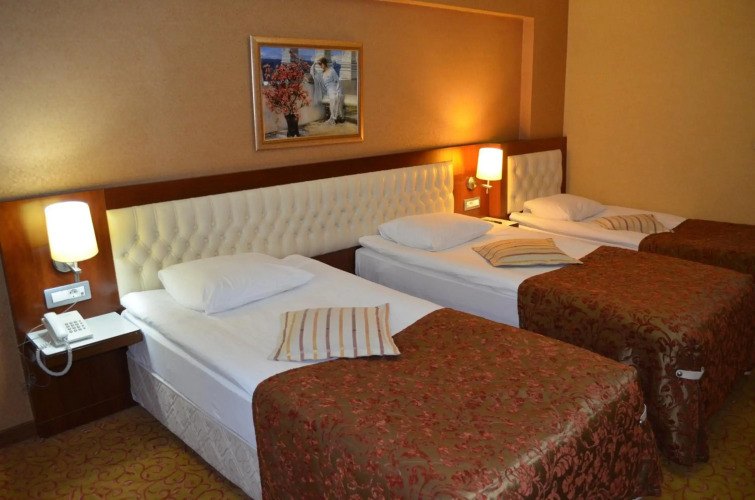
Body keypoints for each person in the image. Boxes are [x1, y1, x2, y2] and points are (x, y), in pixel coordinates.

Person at [312, 56, 344, 124]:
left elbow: (337, 81)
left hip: (335, 88)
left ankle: (336, 116)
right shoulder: (321, 74)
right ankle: (333, 117)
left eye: (321, 64)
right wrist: (315, 63)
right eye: (320, 65)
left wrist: (338, 90)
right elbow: (313, 73)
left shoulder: (332, 70)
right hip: (329, 90)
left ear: (324, 63)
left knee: (338, 96)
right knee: (333, 98)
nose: (321, 66)